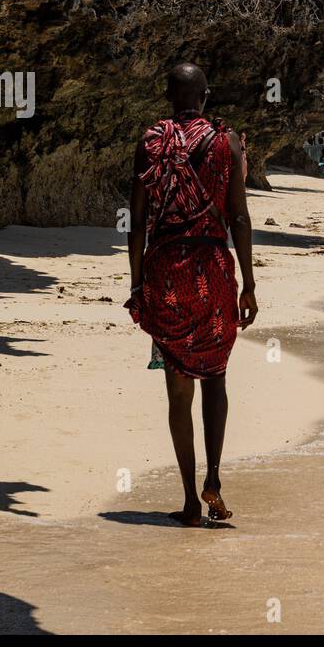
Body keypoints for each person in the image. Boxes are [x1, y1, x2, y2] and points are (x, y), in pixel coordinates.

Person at [124, 63, 258, 526]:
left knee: (177, 389)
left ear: (168, 96)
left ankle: (187, 500)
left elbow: (137, 222)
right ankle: (214, 481)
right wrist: (251, 284)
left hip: (165, 272)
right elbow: (238, 217)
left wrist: (138, 284)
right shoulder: (228, 142)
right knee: (216, 376)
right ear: (205, 95)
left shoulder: (151, 143)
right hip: (214, 270)